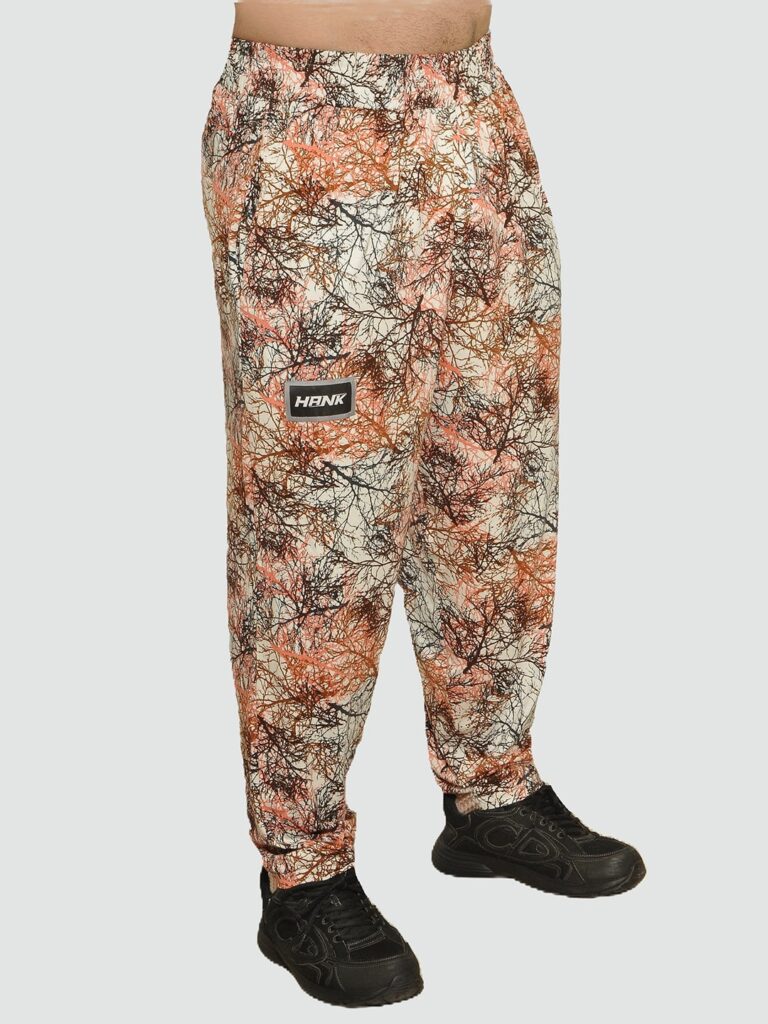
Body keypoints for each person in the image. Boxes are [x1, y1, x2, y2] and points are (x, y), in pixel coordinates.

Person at [201, 0, 645, 1006]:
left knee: (492, 476)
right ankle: (302, 867)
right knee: (320, 513)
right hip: (312, 110)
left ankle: (491, 789)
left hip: (475, 107)